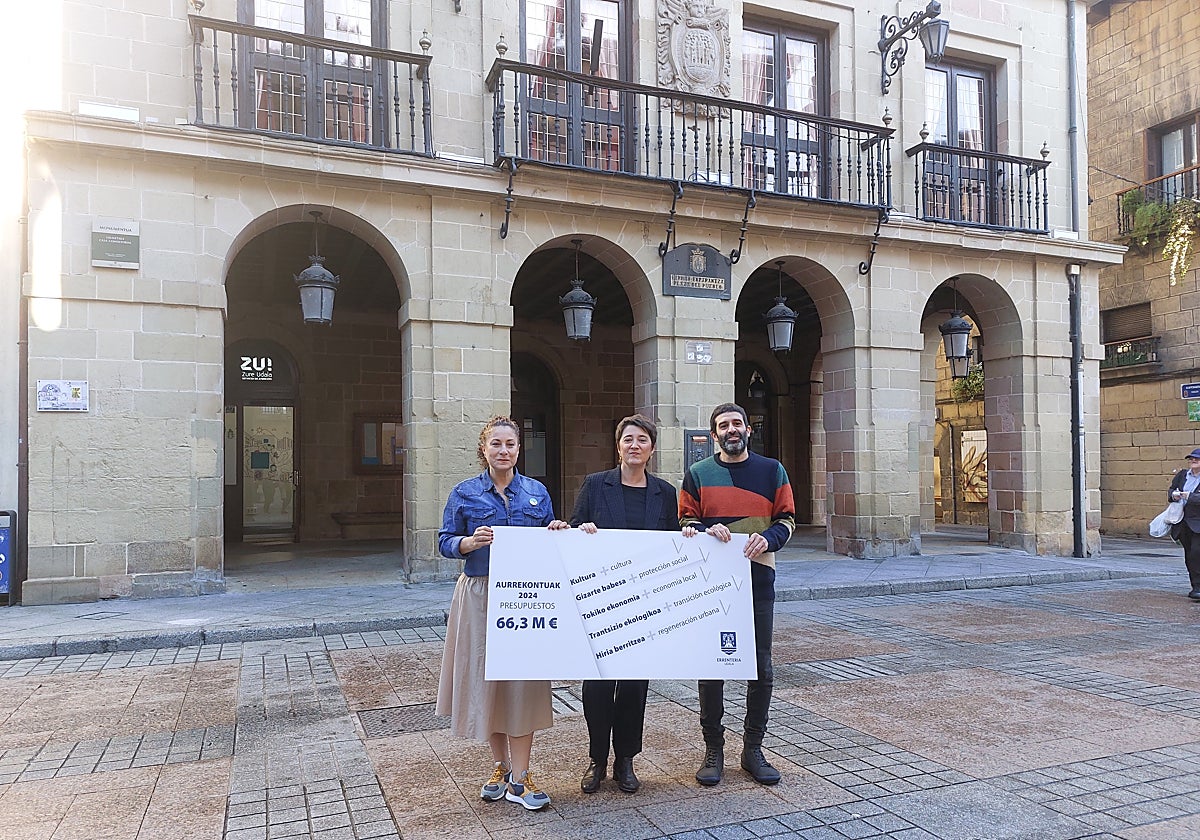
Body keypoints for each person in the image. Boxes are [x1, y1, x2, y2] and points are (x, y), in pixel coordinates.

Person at [435, 415, 567, 811]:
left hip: (525, 595)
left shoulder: (536, 492)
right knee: (487, 678)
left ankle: (522, 777)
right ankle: (500, 766)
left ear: (518, 449)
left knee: (522, 682)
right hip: (480, 594)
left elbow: (548, 537)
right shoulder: (464, 493)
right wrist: (468, 542)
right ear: (484, 449)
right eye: (496, 444)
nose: (503, 451)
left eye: (510, 444)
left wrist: (557, 530)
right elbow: (443, 541)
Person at [679, 402, 795, 787]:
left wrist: (768, 537)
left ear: (748, 429)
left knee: (761, 667)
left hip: (759, 579)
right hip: (712, 583)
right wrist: (705, 529)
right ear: (714, 435)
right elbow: (686, 519)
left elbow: (787, 519)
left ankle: (753, 749)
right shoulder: (698, 473)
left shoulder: (771, 470)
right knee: (713, 665)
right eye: (723, 425)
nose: (731, 430)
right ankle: (713, 750)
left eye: (737, 424)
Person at [567, 414, 680, 795]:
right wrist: (580, 532)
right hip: (602, 599)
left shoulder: (665, 492)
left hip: (644, 601)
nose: (635, 446)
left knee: (634, 685)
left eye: (642, 440)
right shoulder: (596, 485)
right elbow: (573, 528)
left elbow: (673, 542)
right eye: (628, 439)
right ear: (618, 446)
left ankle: (626, 760)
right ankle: (596, 760)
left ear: (652, 449)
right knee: (598, 683)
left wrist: (692, 536)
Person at [1167, 447, 1200, 601]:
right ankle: (1196, 587)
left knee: (1196, 552)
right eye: (1191, 459)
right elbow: (1171, 490)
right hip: (1183, 522)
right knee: (1189, 556)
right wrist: (1174, 495)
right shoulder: (1182, 475)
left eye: (1197, 459)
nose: (1193, 461)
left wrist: (1190, 496)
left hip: (1198, 522)